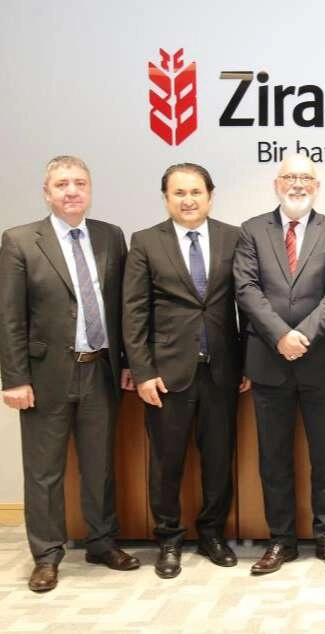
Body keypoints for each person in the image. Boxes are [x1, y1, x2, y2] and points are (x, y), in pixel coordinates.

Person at [0, 155, 138, 592]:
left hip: (100, 370)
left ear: (90, 190)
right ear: (47, 193)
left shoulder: (110, 236)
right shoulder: (21, 240)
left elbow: (124, 308)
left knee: (100, 465)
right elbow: (9, 316)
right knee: (44, 471)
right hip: (45, 376)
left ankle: (101, 542)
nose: (72, 191)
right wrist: (14, 378)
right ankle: (47, 555)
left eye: (79, 183)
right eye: (62, 184)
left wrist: (129, 362)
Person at [123, 163, 249, 578]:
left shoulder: (234, 237)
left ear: (210, 196)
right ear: (166, 199)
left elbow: (247, 305)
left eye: (196, 192)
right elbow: (134, 312)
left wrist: (247, 361)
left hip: (222, 371)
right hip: (166, 373)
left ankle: (212, 534)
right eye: (179, 193)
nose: (188, 200)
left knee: (219, 460)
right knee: (166, 462)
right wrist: (142, 371)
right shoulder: (145, 241)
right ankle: (169, 539)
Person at [233, 154, 325, 575]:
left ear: (316, 186)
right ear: (276, 183)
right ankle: (280, 541)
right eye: (290, 177)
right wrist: (280, 336)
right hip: (268, 361)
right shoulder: (252, 230)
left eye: (306, 178)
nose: (297, 184)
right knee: (274, 458)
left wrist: (301, 336)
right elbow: (246, 289)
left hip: (319, 361)